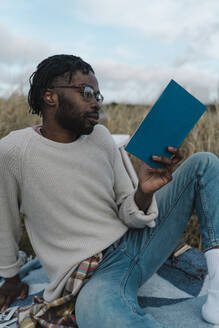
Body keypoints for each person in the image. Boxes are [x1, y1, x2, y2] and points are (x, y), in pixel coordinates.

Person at [0, 54, 218, 327]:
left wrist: (145, 191)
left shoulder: (101, 138)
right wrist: (10, 277)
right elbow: (4, 221)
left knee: (204, 164)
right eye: (87, 93)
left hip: (138, 241)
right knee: (103, 314)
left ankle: (218, 296)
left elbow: (129, 212)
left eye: (98, 96)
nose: (95, 104)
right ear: (50, 97)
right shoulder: (13, 152)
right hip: (95, 274)